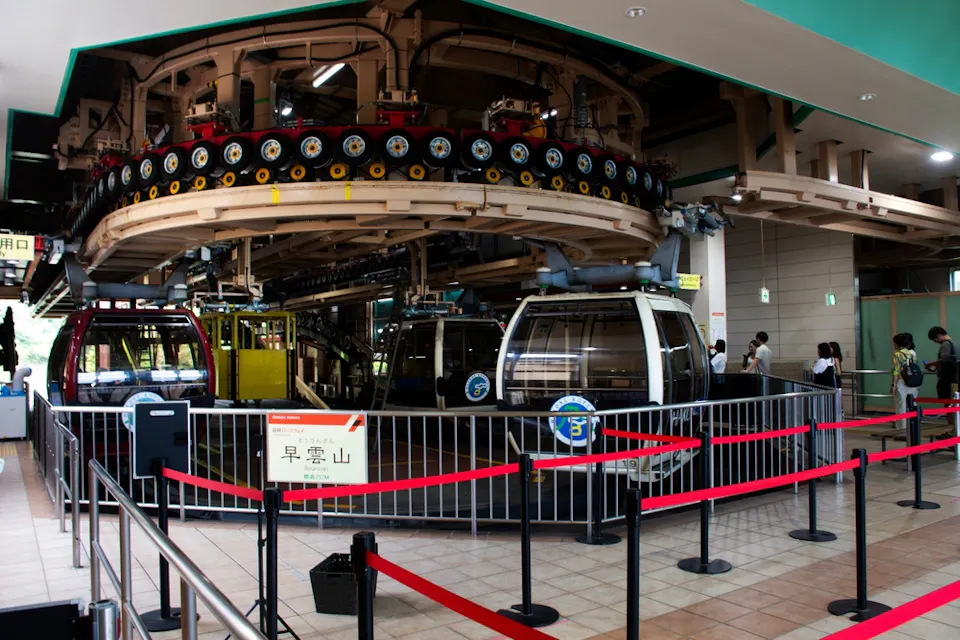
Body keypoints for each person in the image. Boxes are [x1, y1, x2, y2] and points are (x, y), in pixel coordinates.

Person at [891, 333, 921, 430]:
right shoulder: (913, 353)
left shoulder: (898, 354)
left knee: (901, 406)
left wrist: (893, 385)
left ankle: (902, 429)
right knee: (913, 404)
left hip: (902, 382)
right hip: (913, 382)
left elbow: (896, 370)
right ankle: (913, 427)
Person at [925, 326, 958, 401]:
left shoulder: (946, 344)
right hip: (955, 378)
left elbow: (943, 360)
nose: (935, 342)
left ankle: (948, 413)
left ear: (938, 335)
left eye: (935, 339)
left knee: (946, 400)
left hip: (947, 379)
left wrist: (930, 364)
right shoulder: (954, 344)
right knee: (954, 399)